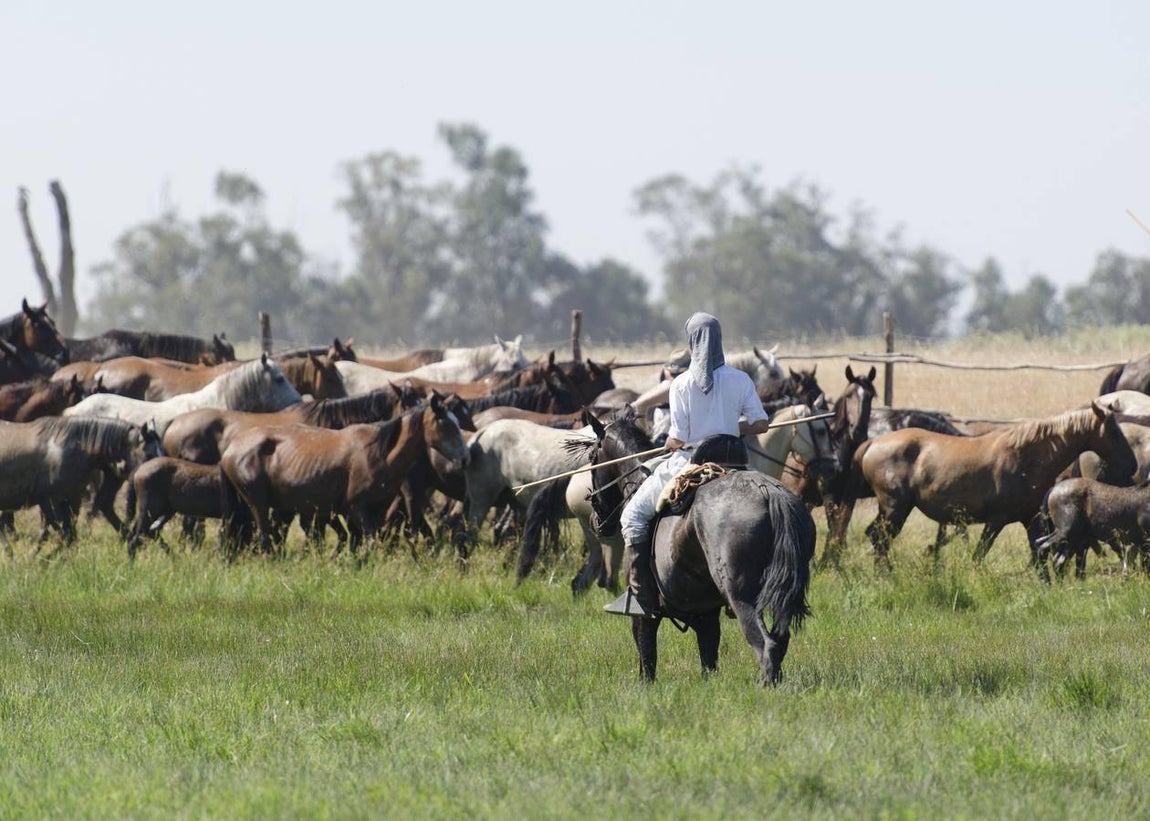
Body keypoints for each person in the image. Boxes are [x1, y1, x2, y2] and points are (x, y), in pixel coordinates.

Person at [605, 312, 770, 617]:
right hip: (734, 461)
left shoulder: (680, 384)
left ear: (692, 341)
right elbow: (761, 424)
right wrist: (731, 426)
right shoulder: (741, 379)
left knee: (633, 516)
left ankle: (641, 597)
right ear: (719, 339)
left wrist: (667, 445)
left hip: (690, 461)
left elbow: (678, 438)